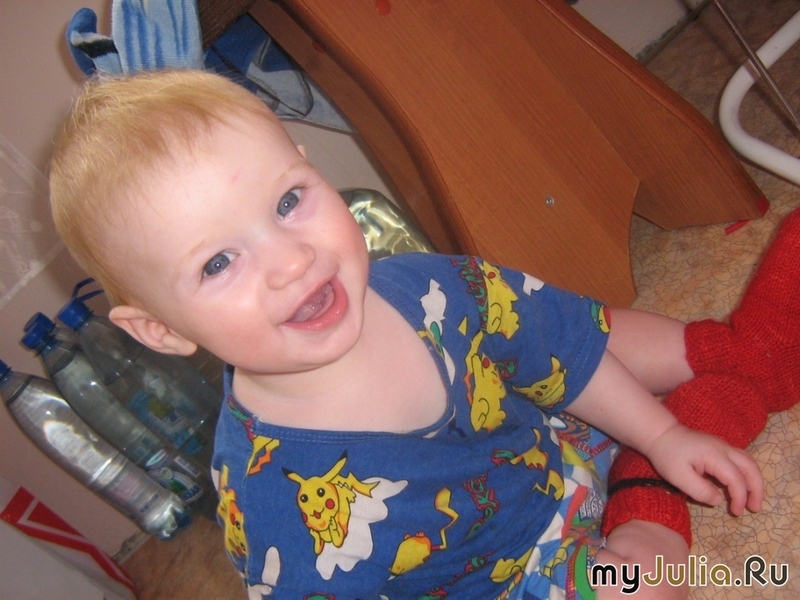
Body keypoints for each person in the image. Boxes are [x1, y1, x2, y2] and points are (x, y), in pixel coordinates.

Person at [48, 69, 795, 599]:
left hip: (551, 440)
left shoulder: (423, 286)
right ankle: (647, 494)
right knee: (646, 588)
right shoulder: (278, 512)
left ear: (310, 170)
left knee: (569, 325)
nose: (292, 261)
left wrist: (662, 434)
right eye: (217, 262)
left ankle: (721, 361)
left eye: (288, 202)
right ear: (159, 330)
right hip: (507, 579)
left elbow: (561, 345)